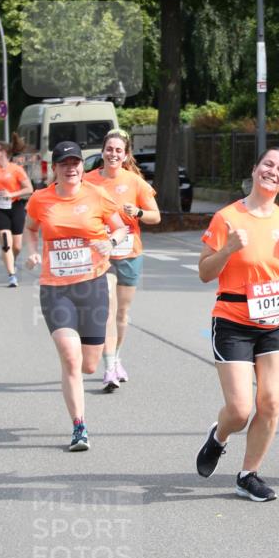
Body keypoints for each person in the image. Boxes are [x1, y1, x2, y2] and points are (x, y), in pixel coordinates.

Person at [196, 147, 279, 502]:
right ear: (255, 168)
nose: (272, 172)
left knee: (271, 401)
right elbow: (204, 272)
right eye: (267, 164)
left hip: (276, 321)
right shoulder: (227, 217)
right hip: (233, 320)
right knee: (241, 410)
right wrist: (227, 249)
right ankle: (219, 436)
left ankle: (248, 475)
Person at [24, 141, 127, 452]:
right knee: (70, 357)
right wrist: (31, 253)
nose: (70, 168)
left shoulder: (96, 195)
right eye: (64, 163)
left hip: (91, 285)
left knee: (90, 365)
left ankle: (84, 375)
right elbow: (30, 228)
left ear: (82, 166)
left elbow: (121, 228)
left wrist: (110, 241)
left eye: (75, 162)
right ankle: (79, 426)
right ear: (54, 168)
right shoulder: (40, 199)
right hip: (56, 289)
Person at [86, 128, 161, 391]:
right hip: (101, 255)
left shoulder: (135, 182)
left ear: (126, 154)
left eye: (119, 150)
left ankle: (116, 357)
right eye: (109, 149)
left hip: (129, 253)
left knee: (122, 313)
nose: (113, 154)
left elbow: (156, 216)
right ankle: (109, 367)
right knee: (107, 309)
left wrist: (139, 212)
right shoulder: (89, 181)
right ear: (102, 151)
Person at [0, 140, 33, 287]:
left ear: (3, 152)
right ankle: (12, 275)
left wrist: (12, 194)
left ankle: (12, 260)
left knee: (17, 246)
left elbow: (29, 189)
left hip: (15, 207)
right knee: (6, 244)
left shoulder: (16, 169)